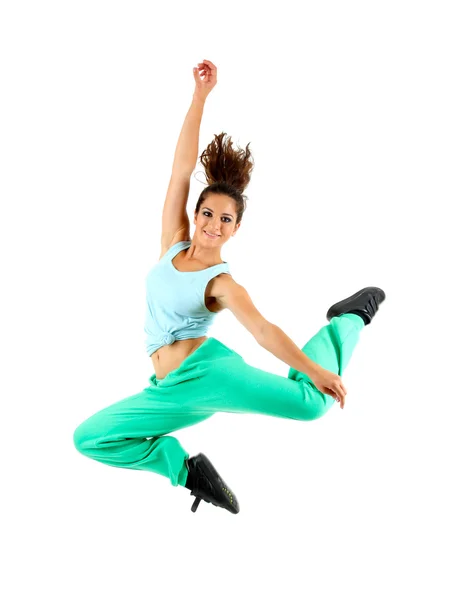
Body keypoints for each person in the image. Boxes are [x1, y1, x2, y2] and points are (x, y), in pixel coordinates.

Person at [73, 59, 386, 515]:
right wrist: (200, 97)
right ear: (195, 214)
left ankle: (346, 320)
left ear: (235, 228)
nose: (213, 225)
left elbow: (262, 331)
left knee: (311, 404)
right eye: (207, 214)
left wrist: (317, 371)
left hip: (209, 374)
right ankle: (187, 471)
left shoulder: (220, 283)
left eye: (225, 219)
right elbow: (181, 171)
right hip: (167, 390)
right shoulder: (170, 245)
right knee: (90, 438)